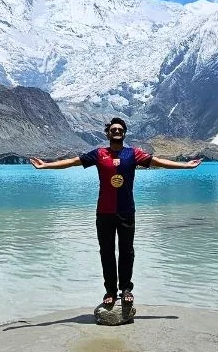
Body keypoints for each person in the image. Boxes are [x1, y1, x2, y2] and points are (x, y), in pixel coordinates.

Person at [29, 117, 201, 316]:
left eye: (120, 129)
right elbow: (74, 162)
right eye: (113, 129)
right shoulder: (99, 153)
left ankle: (126, 289)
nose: (117, 131)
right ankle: (110, 291)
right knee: (107, 252)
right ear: (108, 134)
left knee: (127, 251)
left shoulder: (133, 154)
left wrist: (185, 166)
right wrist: (46, 166)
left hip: (127, 211)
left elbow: (159, 162)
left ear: (124, 133)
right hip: (104, 212)